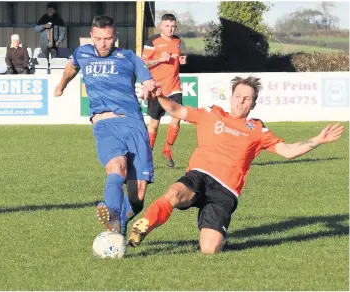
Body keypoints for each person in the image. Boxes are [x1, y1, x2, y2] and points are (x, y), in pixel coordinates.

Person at [128, 76, 345, 254]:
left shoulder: (258, 129)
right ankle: (144, 225)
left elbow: (287, 151)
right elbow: (178, 110)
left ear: (253, 104)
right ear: (231, 97)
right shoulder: (212, 113)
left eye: (247, 99)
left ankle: (218, 236)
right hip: (200, 175)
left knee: (209, 250)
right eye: (238, 96)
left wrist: (317, 140)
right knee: (175, 192)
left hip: (226, 190)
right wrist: (160, 96)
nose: (241, 101)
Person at [54, 15, 157, 237]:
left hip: (133, 125)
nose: (103, 43)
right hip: (104, 124)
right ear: (91, 37)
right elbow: (71, 67)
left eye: (108, 38)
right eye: (99, 38)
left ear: (115, 37)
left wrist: (149, 88)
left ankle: (117, 222)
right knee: (116, 168)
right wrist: (61, 85)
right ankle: (112, 221)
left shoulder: (128, 57)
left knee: (137, 199)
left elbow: (147, 80)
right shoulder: (83, 53)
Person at [141, 13, 187, 168]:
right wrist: (159, 59)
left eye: (173, 26)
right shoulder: (152, 41)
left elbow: (174, 59)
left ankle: (167, 149)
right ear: (161, 26)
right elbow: (143, 64)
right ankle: (148, 156)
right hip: (157, 89)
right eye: (167, 26)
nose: (170, 29)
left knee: (177, 118)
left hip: (174, 87)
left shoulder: (177, 41)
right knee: (154, 124)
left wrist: (180, 60)